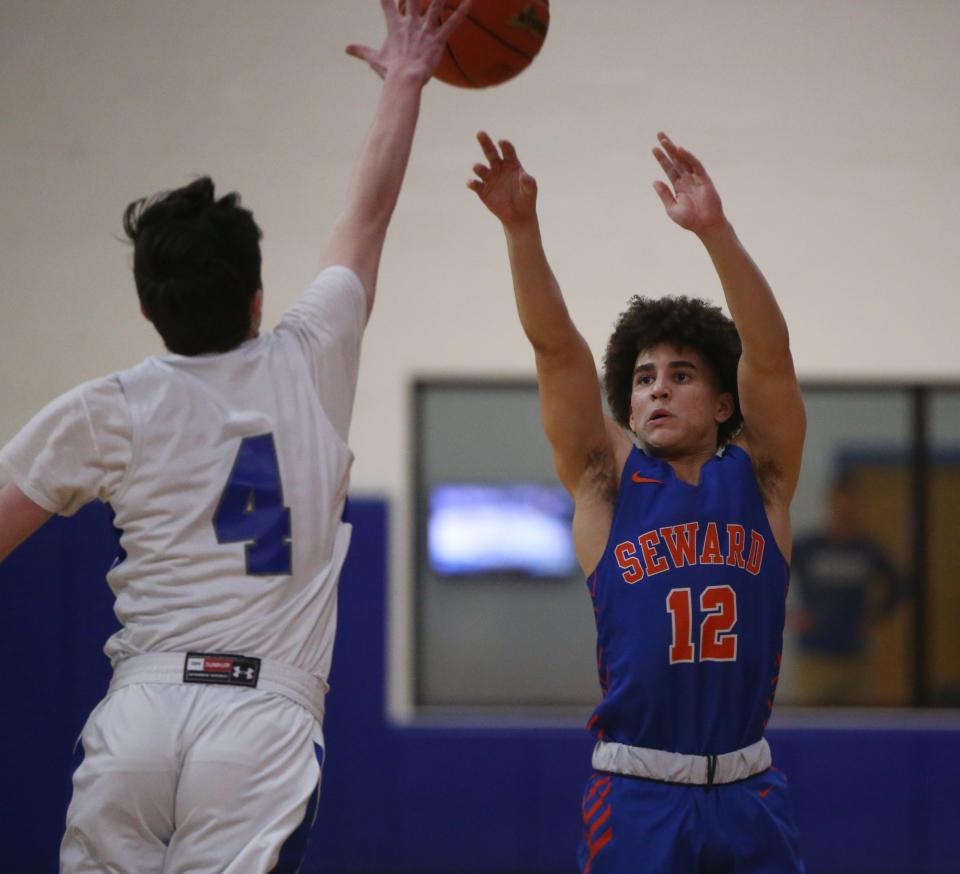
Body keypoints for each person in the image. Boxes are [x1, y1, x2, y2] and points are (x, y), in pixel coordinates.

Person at [0, 2, 470, 871]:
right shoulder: (309, 359)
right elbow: (367, 215)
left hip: (139, 712)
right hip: (259, 723)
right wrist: (406, 79)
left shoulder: (105, 407)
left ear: (147, 308)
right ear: (260, 299)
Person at [469, 131, 806, 872]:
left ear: (724, 404)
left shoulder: (763, 479)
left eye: (681, 374)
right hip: (638, 789)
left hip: (750, 788)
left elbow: (771, 356)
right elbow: (558, 351)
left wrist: (714, 233)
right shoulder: (607, 483)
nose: (657, 386)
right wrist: (521, 231)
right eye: (645, 376)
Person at [790, 473, 902, 704]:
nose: (844, 508)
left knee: (857, 724)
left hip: (855, 657)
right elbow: (769, 574)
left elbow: (899, 585)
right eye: (839, 501)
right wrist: (790, 615)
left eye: (849, 502)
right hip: (815, 657)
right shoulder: (809, 547)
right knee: (810, 726)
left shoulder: (868, 549)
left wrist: (875, 616)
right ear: (831, 503)